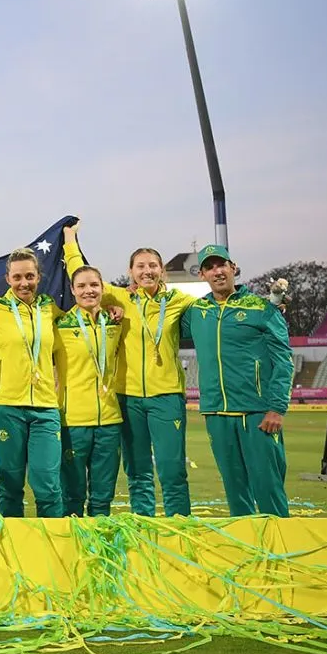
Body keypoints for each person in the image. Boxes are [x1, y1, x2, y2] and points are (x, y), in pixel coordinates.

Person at [63, 220, 195, 517]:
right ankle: (144, 525)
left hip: (167, 397)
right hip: (128, 398)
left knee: (173, 471)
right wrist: (69, 239)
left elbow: (213, 305)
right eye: (140, 266)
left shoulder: (179, 301)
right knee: (138, 472)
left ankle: (178, 527)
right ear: (131, 271)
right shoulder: (119, 298)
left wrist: (273, 304)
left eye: (152, 265)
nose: (147, 271)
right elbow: (80, 274)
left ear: (162, 270)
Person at [182, 245, 292, 517]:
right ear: (202, 274)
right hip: (216, 413)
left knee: (268, 489)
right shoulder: (196, 311)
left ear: (233, 268)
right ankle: (247, 552)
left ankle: (280, 555)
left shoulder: (261, 308)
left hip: (257, 413)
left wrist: (277, 408)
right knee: (235, 491)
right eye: (210, 267)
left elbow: (283, 359)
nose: (217, 271)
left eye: (222, 265)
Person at [0, 247, 63, 517]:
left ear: (39, 276)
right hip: (5, 407)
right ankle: (10, 552)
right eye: (17, 277)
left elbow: (89, 297)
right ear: (7, 278)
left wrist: (113, 305)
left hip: (46, 407)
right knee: (10, 486)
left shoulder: (51, 308)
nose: (23, 283)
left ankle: (52, 549)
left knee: (49, 486)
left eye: (29, 276)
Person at [53, 266, 124, 517]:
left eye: (94, 285)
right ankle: (72, 552)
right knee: (72, 497)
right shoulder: (58, 325)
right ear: (72, 290)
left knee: (103, 498)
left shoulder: (116, 323)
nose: (88, 290)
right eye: (81, 286)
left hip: (110, 420)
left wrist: (118, 309)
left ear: (103, 288)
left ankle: (99, 553)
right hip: (71, 421)